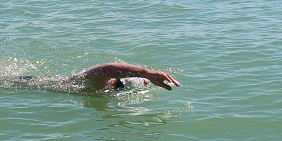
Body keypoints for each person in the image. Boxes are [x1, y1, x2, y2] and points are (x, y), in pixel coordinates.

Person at [12, 62, 181, 94]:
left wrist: (146, 78)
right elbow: (107, 68)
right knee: (0, 81)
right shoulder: (99, 82)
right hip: (29, 84)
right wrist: (146, 72)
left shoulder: (109, 87)